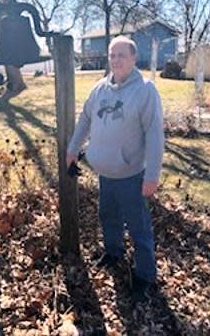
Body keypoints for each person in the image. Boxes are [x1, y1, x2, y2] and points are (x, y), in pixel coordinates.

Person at [66, 36, 164, 303]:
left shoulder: (145, 90)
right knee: (107, 216)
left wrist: (152, 174)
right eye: (112, 55)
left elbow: (155, 134)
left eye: (122, 55)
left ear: (133, 58)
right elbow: (85, 117)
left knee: (138, 227)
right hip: (105, 174)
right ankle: (113, 253)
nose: (116, 60)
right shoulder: (99, 89)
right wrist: (72, 149)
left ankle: (145, 275)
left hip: (132, 175)